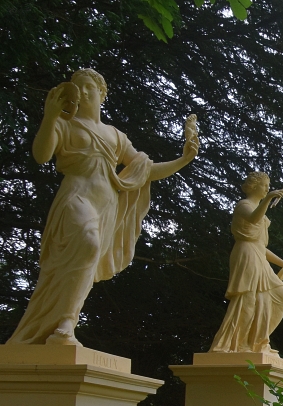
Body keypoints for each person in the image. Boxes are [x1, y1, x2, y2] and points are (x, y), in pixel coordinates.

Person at [8, 69, 199, 345]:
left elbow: (146, 171)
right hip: (76, 196)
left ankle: (66, 323)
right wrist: (50, 117)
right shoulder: (65, 124)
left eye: (88, 87)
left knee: (87, 260)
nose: (82, 92)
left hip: (107, 204)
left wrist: (183, 160)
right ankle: (59, 323)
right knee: (89, 244)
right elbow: (41, 155)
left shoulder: (115, 136)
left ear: (102, 94)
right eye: (77, 88)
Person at [209, 172, 283, 354]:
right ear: (254, 186)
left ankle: (256, 341)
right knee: (247, 300)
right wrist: (269, 199)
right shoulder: (244, 205)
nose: (267, 188)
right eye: (265, 185)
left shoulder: (261, 214)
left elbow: (261, 246)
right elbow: (253, 218)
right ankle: (239, 345)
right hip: (246, 255)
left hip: (258, 255)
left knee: (282, 297)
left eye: (268, 186)